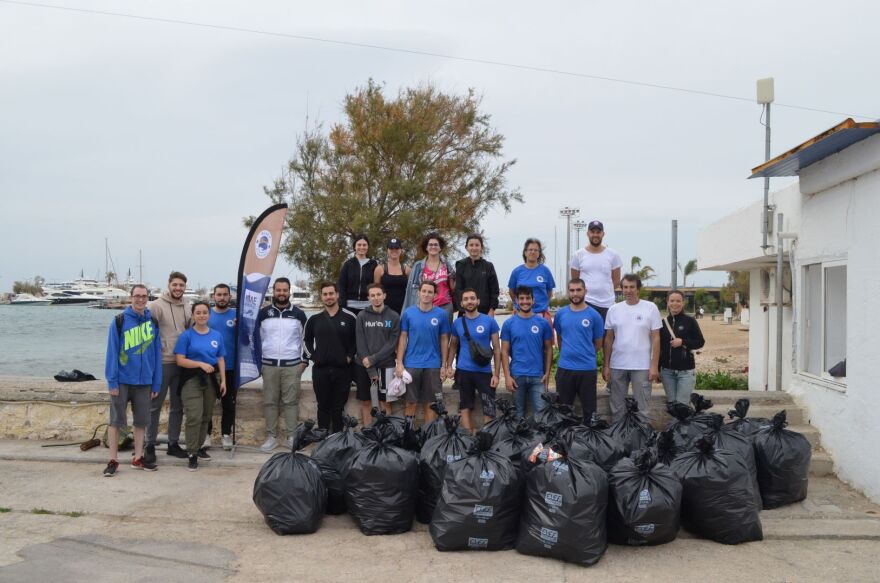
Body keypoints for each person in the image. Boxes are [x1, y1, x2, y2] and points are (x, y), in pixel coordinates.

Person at [102, 285, 162, 476]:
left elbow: (156, 354)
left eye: (144, 296)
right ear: (131, 297)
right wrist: (112, 381)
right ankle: (113, 460)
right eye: (137, 296)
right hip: (122, 380)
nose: (140, 299)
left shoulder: (152, 322)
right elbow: (111, 352)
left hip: (144, 381)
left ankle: (138, 458)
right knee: (116, 422)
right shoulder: (119, 321)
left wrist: (156, 382)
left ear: (148, 298)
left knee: (141, 422)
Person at [254, 278, 308, 452]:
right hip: (268, 365)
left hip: (292, 365)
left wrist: (304, 361)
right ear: (273, 291)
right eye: (278, 290)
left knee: (291, 402)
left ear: (289, 291)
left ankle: (292, 437)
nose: (282, 293)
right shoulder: (263, 313)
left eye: (285, 290)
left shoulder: (299, 314)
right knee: (270, 402)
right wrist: (259, 363)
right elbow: (256, 340)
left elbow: (305, 340)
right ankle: (272, 438)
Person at [145, 271, 192, 465]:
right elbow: (147, 332)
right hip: (162, 363)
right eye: (175, 285)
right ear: (169, 285)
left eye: (181, 285)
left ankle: (173, 443)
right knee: (154, 406)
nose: (178, 288)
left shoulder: (188, 306)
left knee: (177, 406)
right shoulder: (155, 305)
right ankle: (149, 444)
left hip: (182, 363)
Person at [174, 301, 227, 472]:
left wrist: (223, 381)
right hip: (191, 379)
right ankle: (192, 453)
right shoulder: (186, 336)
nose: (202, 315)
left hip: (212, 379)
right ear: (193, 315)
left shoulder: (216, 335)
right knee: (194, 416)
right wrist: (199, 364)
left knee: (206, 416)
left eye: (205, 312)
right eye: (198, 312)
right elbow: (180, 360)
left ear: (209, 315)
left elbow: (220, 359)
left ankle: (197, 448)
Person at [603, 274, 662, 422]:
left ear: (638, 289)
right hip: (618, 366)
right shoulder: (613, 310)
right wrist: (606, 365)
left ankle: (642, 443)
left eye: (632, 287)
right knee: (617, 409)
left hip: (642, 366)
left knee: (642, 409)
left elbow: (656, 338)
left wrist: (654, 366)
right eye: (625, 287)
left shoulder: (650, 308)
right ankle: (618, 442)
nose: (628, 290)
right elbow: (609, 339)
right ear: (621, 289)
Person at [303, 281, 358, 433]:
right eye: (325, 294)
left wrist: (349, 357)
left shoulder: (350, 317)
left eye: (331, 293)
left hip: (343, 370)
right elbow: (305, 340)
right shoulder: (314, 319)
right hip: (321, 370)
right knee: (323, 406)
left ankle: (337, 441)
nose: (328, 297)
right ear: (321, 297)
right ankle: (322, 440)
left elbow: (357, 341)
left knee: (338, 407)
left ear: (337, 295)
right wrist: (313, 357)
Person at [396, 281, 451, 428]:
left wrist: (444, 365)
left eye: (430, 292)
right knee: (411, 402)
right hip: (411, 364)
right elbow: (402, 337)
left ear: (435, 295)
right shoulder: (408, 313)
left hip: (433, 365)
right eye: (424, 291)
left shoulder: (442, 314)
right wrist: (399, 363)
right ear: (418, 293)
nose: (426, 294)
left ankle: (428, 437)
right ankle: (409, 435)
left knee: (431, 404)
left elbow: (445, 340)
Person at [447, 288, 501, 431]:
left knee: (489, 406)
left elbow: (496, 349)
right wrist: (448, 366)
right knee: (465, 405)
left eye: (472, 298)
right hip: (464, 370)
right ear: (461, 303)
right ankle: (469, 437)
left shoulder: (489, 321)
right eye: (466, 299)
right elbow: (453, 346)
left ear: (478, 301)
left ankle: (486, 436)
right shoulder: (457, 323)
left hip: (484, 371)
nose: (469, 301)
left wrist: (496, 374)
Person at [553, 279, 605, 418]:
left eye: (578, 290)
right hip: (565, 369)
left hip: (587, 370)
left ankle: (588, 439)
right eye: (572, 290)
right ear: (568, 292)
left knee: (589, 412)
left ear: (585, 291)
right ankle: (564, 439)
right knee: (563, 412)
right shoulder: (560, 314)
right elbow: (559, 337)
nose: (575, 293)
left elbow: (598, 343)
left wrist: (584, 354)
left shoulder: (594, 315)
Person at [501, 286, 553, 418]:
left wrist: (547, 373)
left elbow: (548, 349)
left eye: (528, 298)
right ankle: (519, 439)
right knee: (518, 415)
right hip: (517, 375)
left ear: (533, 300)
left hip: (538, 377)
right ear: (517, 301)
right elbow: (504, 351)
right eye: (522, 298)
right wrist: (507, 376)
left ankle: (540, 439)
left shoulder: (543, 323)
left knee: (541, 414)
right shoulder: (509, 324)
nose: (525, 301)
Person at [355, 283, 401, 423]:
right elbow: (360, 342)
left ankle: (386, 436)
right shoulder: (362, 316)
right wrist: (370, 368)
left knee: (385, 403)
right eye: (373, 295)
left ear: (384, 296)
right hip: (364, 365)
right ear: (368, 298)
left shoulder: (393, 316)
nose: (376, 298)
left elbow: (391, 344)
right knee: (366, 402)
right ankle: (368, 434)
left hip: (386, 365)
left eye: (379, 294)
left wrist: (373, 359)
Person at [568, 220, 622, 320]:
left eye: (598, 232)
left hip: (607, 304)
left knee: (607, 335)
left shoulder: (613, 255)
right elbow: (575, 281)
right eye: (593, 232)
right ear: (588, 234)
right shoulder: (578, 255)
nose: (595, 235)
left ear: (603, 234)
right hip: (586, 303)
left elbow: (616, 281)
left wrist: (603, 291)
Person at [659, 290, 705, 404]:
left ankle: (681, 422)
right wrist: (657, 368)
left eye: (678, 301)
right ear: (668, 302)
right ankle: (677, 423)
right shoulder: (662, 323)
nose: (675, 303)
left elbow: (700, 342)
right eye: (672, 301)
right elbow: (659, 348)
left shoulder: (690, 321)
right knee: (673, 405)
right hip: (667, 372)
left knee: (682, 405)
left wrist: (683, 342)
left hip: (685, 372)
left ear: (683, 303)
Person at [208, 283, 237, 450]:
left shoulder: (235, 315)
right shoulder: (206, 315)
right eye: (219, 294)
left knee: (229, 404)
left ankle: (226, 434)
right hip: (209, 367)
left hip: (231, 366)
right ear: (214, 296)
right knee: (208, 403)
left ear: (229, 297)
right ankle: (206, 435)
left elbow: (246, 340)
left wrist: (242, 325)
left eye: (225, 294)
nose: (222, 297)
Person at [403, 232, 456, 323]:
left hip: (445, 306)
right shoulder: (418, 266)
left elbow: (453, 287)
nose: (433, 247)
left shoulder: (446, 265)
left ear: (440, 247)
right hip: (425, 305)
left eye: (436, 245)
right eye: (430, 244)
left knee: (444, 335)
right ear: (426, 247)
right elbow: (411, 290)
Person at [507, 238, 556, 324]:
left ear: (539, 253)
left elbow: (549, 292)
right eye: (530, 249)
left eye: (536, 250)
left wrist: (542, 305)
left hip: (541, 314)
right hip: (521, 314)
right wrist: (518, 304)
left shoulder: (545, 271)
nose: (533, 252)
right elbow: (511, 291)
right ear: (525, 252)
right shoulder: (517, 272)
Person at [454, 233, 500, 317]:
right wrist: (463, 310)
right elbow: (458, 289)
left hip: (485, 312)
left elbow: (494, 290)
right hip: (465, 312)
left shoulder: (488, 266)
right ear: (466, 247)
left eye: (477, 245)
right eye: (471, 245)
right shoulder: (460, 265)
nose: (474, 248)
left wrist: (492, 309)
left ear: (481, 247)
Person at [338, 233, 378, 314]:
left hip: (368, 307)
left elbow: (376, 285)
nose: (361, 247)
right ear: (354, 247)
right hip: (349, 307)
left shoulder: (373, 264)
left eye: (364, 245)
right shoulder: (348, 264)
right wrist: (342, 304)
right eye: (359, 245)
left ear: (368, 247)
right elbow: (341, 285)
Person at [373, 237, 410, 316]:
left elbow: (411, 292)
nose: (394, 250)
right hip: (384, 311)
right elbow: (375, 292)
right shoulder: (380, 269)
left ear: (401, 250)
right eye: (391, 248)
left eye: (397, 248)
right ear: (387, 250)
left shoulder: (407, 270)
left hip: (403, 310)